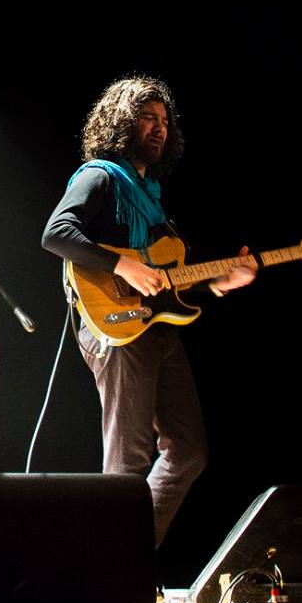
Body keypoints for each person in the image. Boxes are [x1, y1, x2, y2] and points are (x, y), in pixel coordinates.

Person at [41, 74, 256, 550]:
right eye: (147, 118)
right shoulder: (99, 176)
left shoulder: (150, 195)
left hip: (157, 329)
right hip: (117, 328)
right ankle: (109, 569)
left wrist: (220, 281)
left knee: (189, 450)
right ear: (122, 122)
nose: (159, 128)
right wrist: (123, 265)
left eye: (164, 120)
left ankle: (129, 554)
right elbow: (56, 233)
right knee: (128, 462)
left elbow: (165, 277)